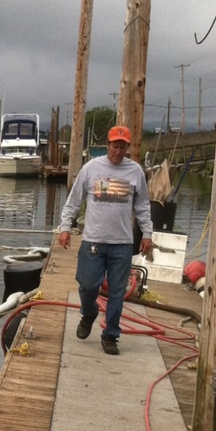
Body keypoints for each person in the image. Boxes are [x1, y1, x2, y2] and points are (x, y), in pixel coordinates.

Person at [57, 124, 153, 355]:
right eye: (114, 146)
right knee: (88, 285)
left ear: (127, 148)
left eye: (122, 147)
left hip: (122, 243)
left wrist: (147, 233)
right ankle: (88, 313)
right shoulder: (91, 168)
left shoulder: (135, 172)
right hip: (93, 241)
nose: (118, 151)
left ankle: (111, 335)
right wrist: (65, 227)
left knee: (117, 292)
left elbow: (142, 206)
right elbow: (74, 200)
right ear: (107, 145)